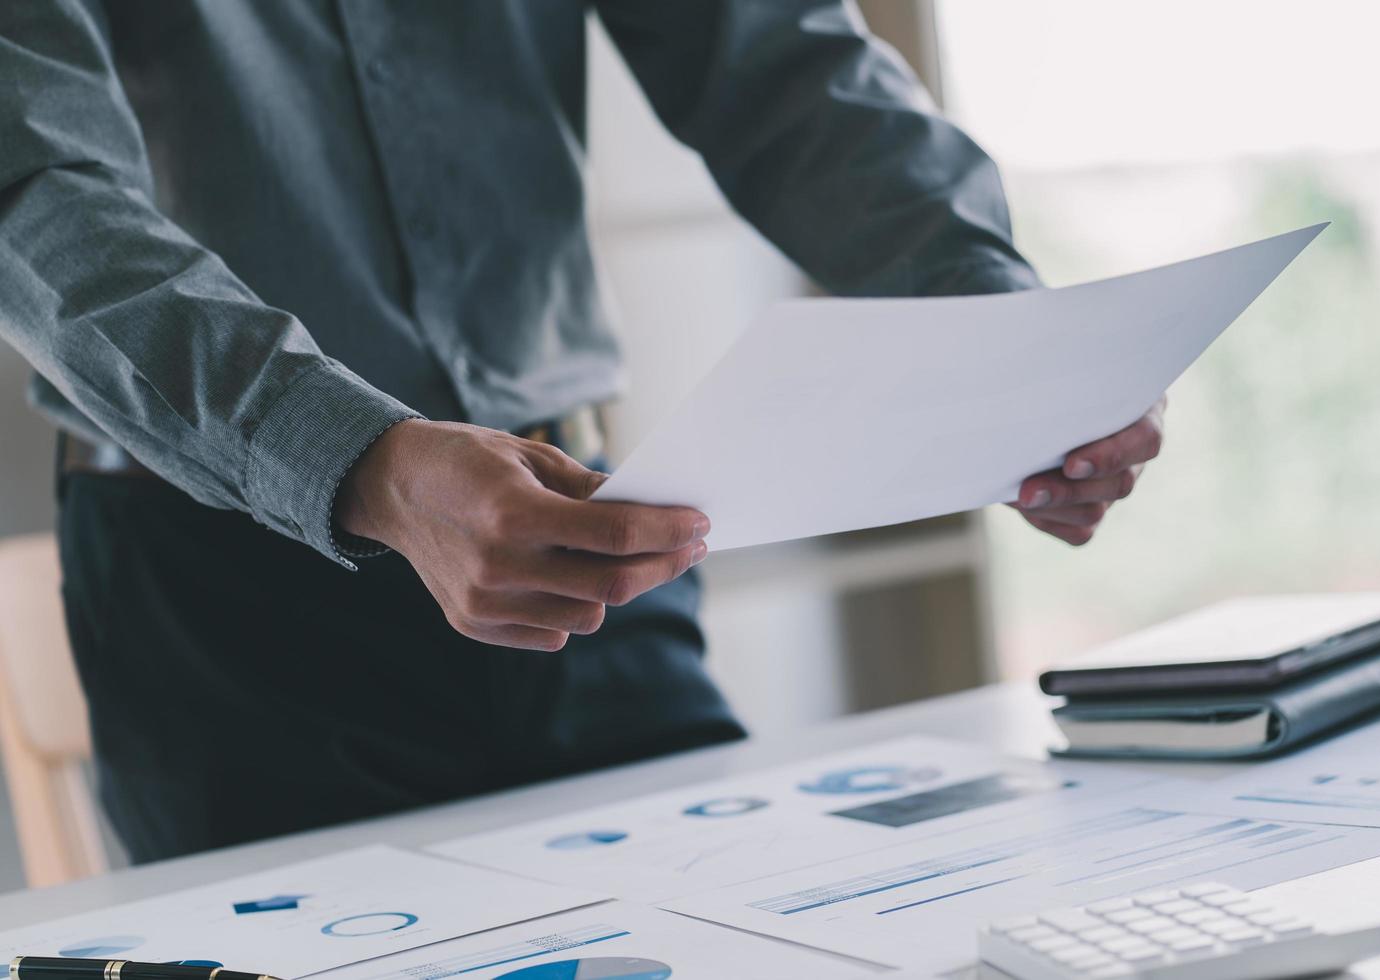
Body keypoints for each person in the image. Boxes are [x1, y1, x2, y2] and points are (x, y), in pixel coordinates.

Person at [0, 1, 1165, 863]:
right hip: (224, 587)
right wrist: (357, 459)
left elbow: (775, 53)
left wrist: (994, 322)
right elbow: (38, 190)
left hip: (581, 536)